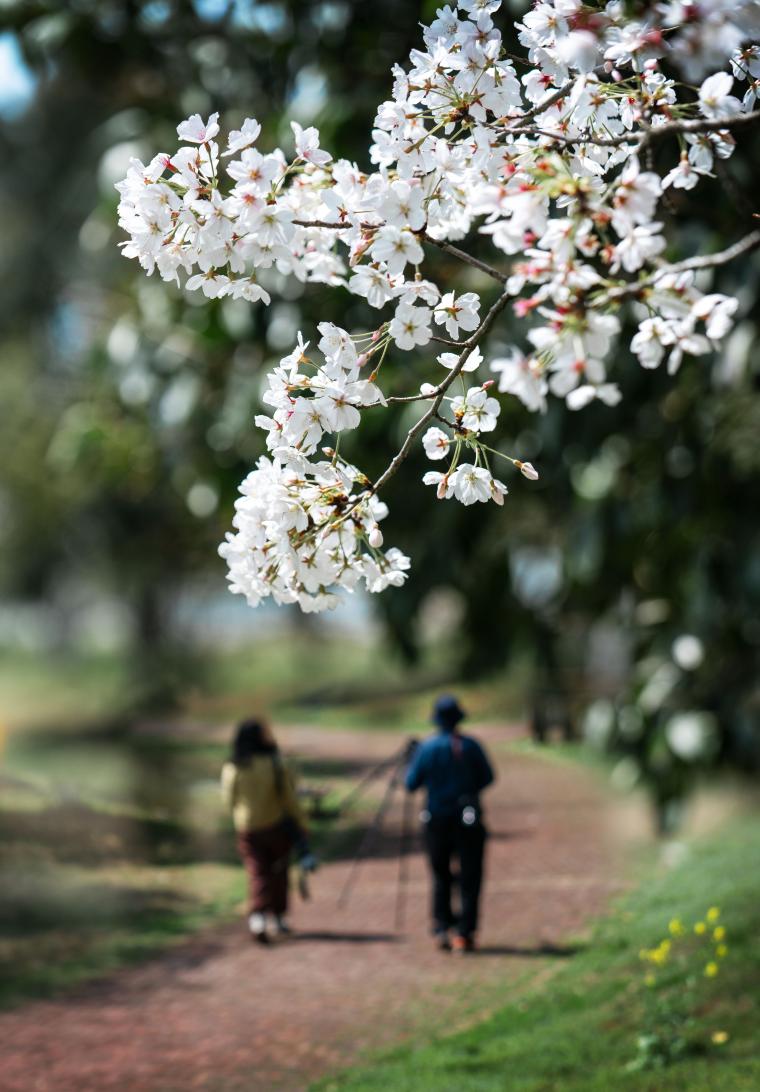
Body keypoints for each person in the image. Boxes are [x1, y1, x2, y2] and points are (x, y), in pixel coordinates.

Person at [405, 695, 495, 952]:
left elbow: (411, 784)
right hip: (468, 816)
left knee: (440, 874)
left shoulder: (427, 748)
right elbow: (488, 777)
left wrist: (410, 761)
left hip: (436, 818)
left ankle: (442, 927)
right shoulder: (471, 746)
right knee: (470, 875)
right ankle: (465, 933)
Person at [221, 719, 312, 943]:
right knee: (279, 872)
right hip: (277, 825)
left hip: (247, 828)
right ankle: (277, 916)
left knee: (258, 872)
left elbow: (228, 800)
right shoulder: (276, 763)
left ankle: (259, 916)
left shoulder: (233, 766)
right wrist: (301, 823)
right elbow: (290, 799)